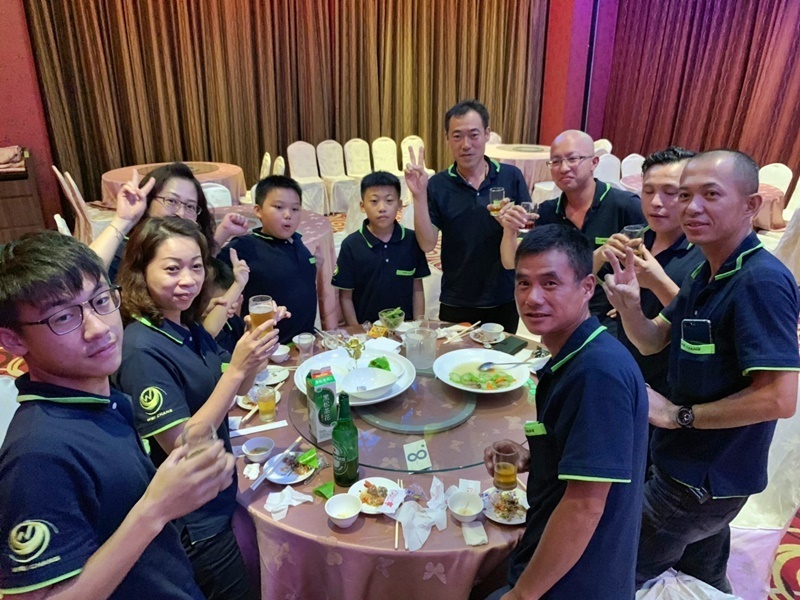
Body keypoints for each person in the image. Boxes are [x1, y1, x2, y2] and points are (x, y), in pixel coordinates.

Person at [603, 150, 800, 592]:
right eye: (685, 195)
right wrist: (629, 306)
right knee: (703, 575)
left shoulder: (760, 281)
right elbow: (654, 339)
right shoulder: (706, 271)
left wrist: (678, 415)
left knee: (614, 569)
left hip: (701, 480)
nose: (690, 207)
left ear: (750, 205)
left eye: (710, 195)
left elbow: (779, 398)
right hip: (687, 466)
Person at [0, 231, 234, 599]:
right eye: (63, 317)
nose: (98, 328)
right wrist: (154, 509)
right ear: (13, 340)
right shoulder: (37, 454)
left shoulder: (102, 402)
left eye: (100, 301)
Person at [115, 218, 283, 600]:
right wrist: (238, 367)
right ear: (141, 271)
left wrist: (254, 353)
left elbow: (237, 388)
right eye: (172, 269)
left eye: (196, 266)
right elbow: (183, 442)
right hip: (195, 518)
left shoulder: (184, 325)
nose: (188, 280)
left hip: (219, 494)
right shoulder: (141, 348)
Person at [484, 225, 648, 599]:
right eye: (523, 283)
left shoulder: (597, 373)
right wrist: (532, 456)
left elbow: (584, 507)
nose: (532, 298)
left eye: (550, 283)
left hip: (578, 579)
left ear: (587, 287)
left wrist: (522, 595)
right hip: (558, 557)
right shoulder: (576, 354)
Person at [405, 99, 531, 332]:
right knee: (455, 354)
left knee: (502, 355)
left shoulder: (511, 176)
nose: (466, 145)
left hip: (503, 295)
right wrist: (419, 196)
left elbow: (527, 237)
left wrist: (511, 226)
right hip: (456, 298)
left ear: (487, 134)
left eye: (474, 135)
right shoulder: (438, 184)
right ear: (447, 138)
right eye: (457, 136)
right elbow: (427, 243)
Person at [500, 130, 644, 332]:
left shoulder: (626, 206)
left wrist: (637, 303)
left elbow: (656, 258)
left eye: (573, 159)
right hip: (559, 315)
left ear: (594, 162)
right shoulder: (548, 211)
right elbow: (510, 262)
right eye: (556, 161)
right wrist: (509, 230)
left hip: (609, 317)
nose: (564, 168)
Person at [600, 147, 703, 398]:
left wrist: (657, 282)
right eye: (648, 191)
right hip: (625, 365)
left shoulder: (705, 252)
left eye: (671, 192)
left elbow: (702, 323)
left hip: (670, 384)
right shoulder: (635, 238)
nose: (656, 202)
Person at [92, 163, 250, 282]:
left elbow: (202, 262)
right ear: (148, 202)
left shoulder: (186, 244)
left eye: (190, 206)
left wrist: (224, 231)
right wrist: (123, 220)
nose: (180, 213)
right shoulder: (126, 250)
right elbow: (86, 275)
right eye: (172, 201)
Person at [220, 175, 316, 344]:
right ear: (258, 210)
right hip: (267, 347)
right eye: (278, 207)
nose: (288, 215)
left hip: (304, 342)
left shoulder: (297, 242)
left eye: (295, 209)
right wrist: (222, 233)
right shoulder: (245, 247)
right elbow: (207, 270)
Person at [332, 171, 430, 325]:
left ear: (399, 204)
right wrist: (356, 329)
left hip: (404, 327)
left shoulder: (412, 240)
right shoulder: (351, 245)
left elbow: (417, 288)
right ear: (362, 206)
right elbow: (345, 296)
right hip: (367, 329)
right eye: (374, 201)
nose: (382, 208)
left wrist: (418, 324)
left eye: (389, 200)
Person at [207, 257, 247, 354]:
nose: (221, 309)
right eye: (217, 304)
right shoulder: (194, 336)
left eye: (228, 301)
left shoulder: (232, 322)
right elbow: (208, 334)